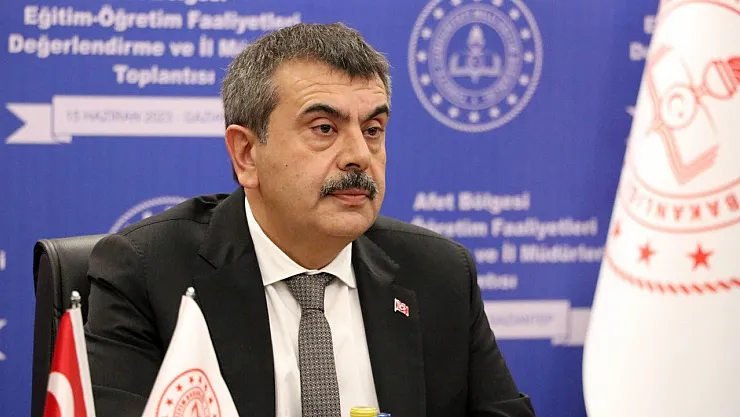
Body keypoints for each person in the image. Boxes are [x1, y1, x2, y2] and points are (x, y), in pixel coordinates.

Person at [84, 22, 535, 417]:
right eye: (325, 129)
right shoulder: (149, 273)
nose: (359, 155)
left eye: (373, 130)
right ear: (247, 154)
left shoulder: (440, 273)